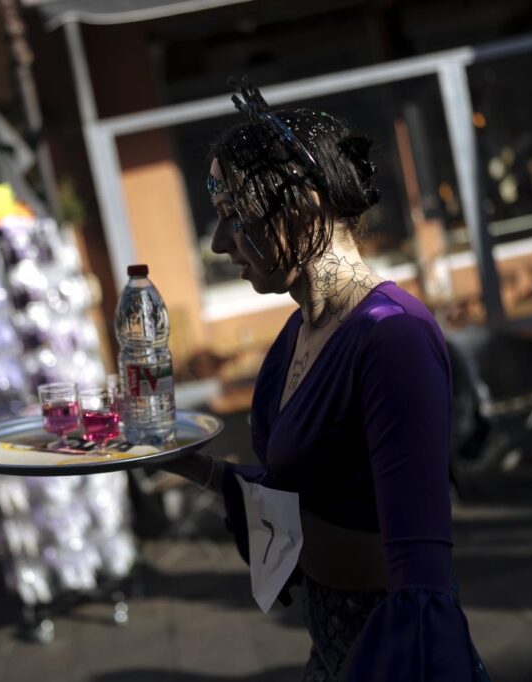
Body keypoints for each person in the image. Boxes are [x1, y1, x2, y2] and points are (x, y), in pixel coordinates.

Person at [162, 80, 489, 681]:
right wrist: (191, 466)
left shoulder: (393, 337)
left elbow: (416, 573)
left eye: (234, 214)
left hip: (392, 658)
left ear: (303, 203)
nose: (217, 242)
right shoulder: (299, 333)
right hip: (333, 654)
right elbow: (305, 495)